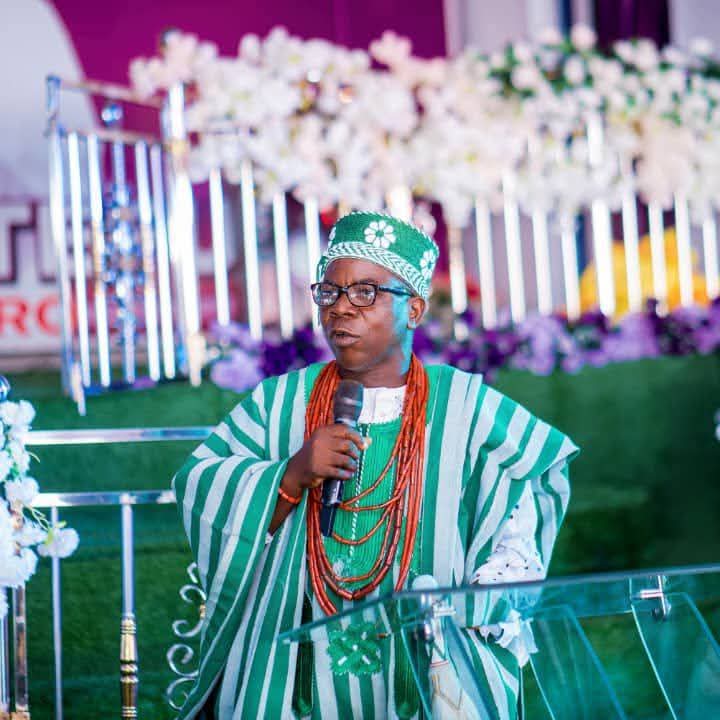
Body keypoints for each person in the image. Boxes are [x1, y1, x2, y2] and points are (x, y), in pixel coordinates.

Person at [173, 212, 579, 719]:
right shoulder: (280, 402)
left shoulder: (467, 406)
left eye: (365, 292)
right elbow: (200, 484)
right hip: (299, 676)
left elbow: (529, 495)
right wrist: (290, 476)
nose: (341, 308)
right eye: (330, 292)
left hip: (422, 665)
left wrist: (478, 605)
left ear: (414, 309)